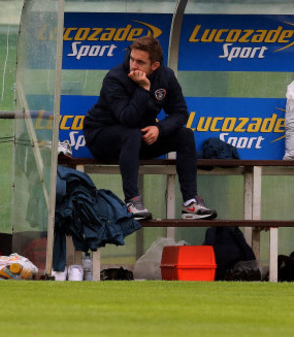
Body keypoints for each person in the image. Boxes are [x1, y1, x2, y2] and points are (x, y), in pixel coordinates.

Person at [83, 35, 217, 221]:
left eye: (140, 62)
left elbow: (180, 113)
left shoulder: (166, 76)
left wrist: (159, 129)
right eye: (132, 59)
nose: (133, 65)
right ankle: (132, 203)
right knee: (131, 133)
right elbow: (127, 119)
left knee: (185, 135)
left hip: (137, 139)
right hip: (102, 138)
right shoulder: (115, 78)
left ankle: (190, 204)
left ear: (154, 66)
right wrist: (144, 88)